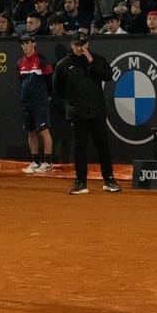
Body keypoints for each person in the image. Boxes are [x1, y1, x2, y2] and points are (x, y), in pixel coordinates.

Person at [53, 33, 120, 194]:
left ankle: (109, 179)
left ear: (87, 45)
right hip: (78, 114)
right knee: (80, 148)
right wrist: (70, 106)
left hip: (97, 112)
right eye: (77, 45)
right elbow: (58, 90)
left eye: (83, 44)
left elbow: (108, 75)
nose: (80, 48)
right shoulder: (63, 65)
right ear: (71, 45)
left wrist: (91, 61)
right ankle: (80, 182)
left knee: (103, 146)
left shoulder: (97, 59)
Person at [17, 34, 53, 173]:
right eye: (22, 43)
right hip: (26, 103)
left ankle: (47, 162)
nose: (24, 46)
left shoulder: (42, 61)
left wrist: (47, 97)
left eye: (27, 43)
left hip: (40, 102)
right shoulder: (20, 63)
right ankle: (35, 161)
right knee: (31, 132)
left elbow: (49, 82)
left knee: (44, 131)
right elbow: (22, 82)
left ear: (33, 43)